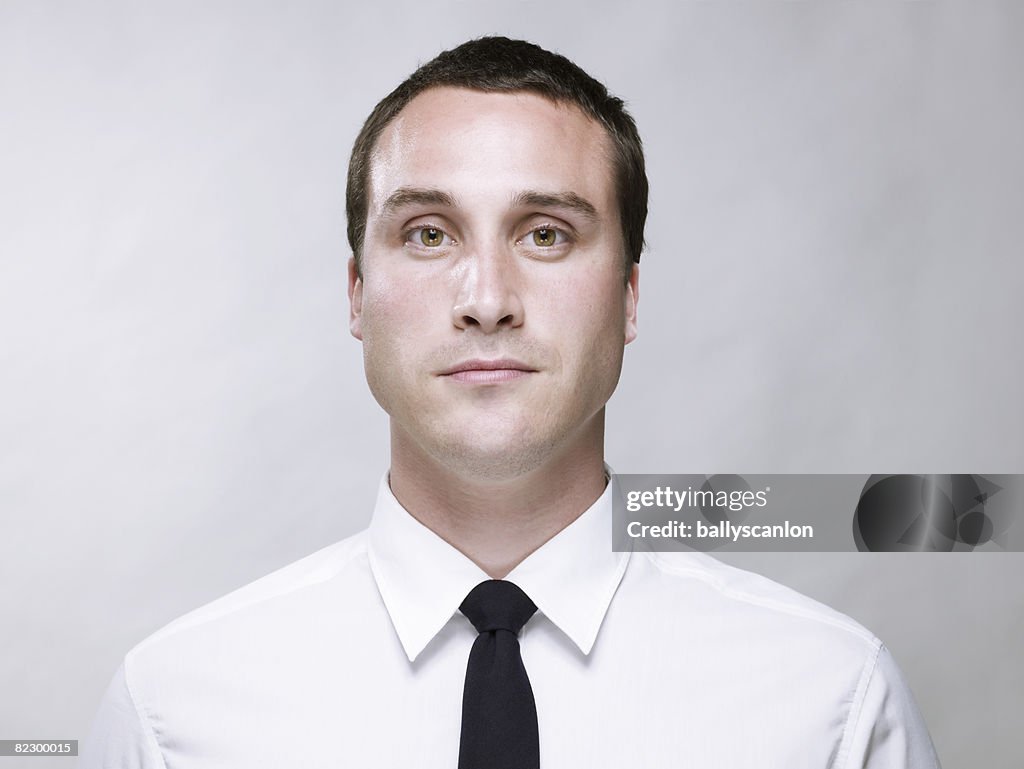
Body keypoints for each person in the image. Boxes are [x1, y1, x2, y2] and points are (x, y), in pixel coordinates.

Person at [80, 36, 941, 768]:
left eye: (546, 234)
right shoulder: (170, 713)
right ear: (355, 294)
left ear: (629, 297)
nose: (487, 298)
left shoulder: (831, 700)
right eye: (428, 233)